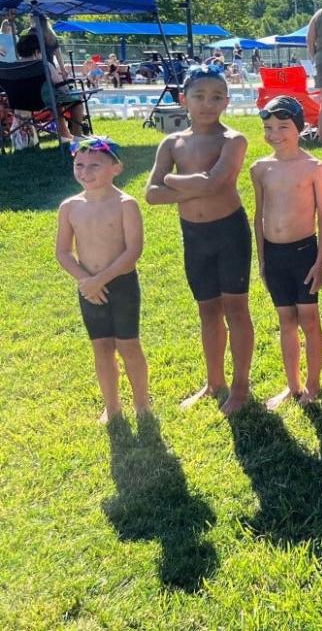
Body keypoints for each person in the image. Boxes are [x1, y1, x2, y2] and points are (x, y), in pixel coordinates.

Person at [145, 65, 253, 415]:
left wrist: (175, 182)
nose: (208, 104)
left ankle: (240, 386)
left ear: (227, 101)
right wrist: (196, 183)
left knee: (236, 309)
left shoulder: (233, 140)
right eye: (199, 96)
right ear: (183, 99)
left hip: (229, 233)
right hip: (194, 236)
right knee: (207, 310)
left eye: (216, 97)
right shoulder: (172, 143)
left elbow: (214, 184)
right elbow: (151, 194)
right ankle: (214, 381)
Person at [56, 136, 150, 423]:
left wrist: (101, 279)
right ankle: (112, 407)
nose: (85, 172)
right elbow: (63, 252)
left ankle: (142, 404)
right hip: (88, 288)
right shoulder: (69, 207)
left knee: (128, 344)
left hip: (121, 285)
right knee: (101, 347)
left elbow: (133, 251)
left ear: (116, 168)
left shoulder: (125, 204)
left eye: (94, 165)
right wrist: (87, 281)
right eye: (79, 165)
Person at [251, 96, 322, 409]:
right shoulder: (260, 168)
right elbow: (259, 216)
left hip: (304, 253)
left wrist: (321, 262)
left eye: (283, 127)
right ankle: (292, 385)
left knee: (309, 319)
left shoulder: (313, 168)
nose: (275, 134)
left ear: (299, 128)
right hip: (274, 255)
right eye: (268, 127)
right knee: (286, 320)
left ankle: (313, 384)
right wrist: (262, 261)